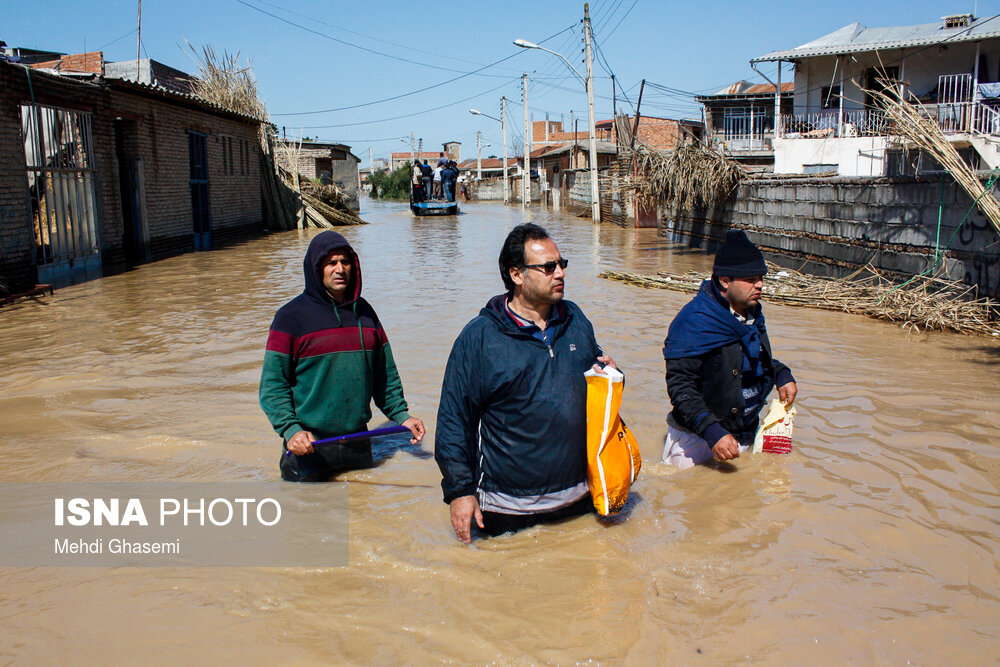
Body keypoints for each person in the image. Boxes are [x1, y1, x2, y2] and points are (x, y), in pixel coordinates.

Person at [435, 223, 616, 542]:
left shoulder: (575, 320)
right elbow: (454, 420)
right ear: (517, 274)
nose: (560, 273)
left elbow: (595, 375)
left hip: (580, 501)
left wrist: (611, 372)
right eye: (549, 267)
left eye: (562, 264)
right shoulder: (479, 338)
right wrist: (460, 492)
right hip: (507, 511)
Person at [260, 231, 426, 482]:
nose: (340, 269)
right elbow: (273, 386)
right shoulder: (290, 318)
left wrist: (402, 416)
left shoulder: (366, 314)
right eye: (331, 263)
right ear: (317, 269)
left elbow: (385, 376)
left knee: (363, 515)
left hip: (359, 444)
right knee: (306, 518)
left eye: (345, 262)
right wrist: (291, 430)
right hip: (309, 447)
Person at [661, 230, 797, 469]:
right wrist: (711, 431)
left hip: (744, 432)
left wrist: (781, 374)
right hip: (697, 440)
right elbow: (681, 388)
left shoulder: (752, 315)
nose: (760, 285)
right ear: (725, 281)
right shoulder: (694, 322)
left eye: (761, 277)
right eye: (751, 279)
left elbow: (754, 362)